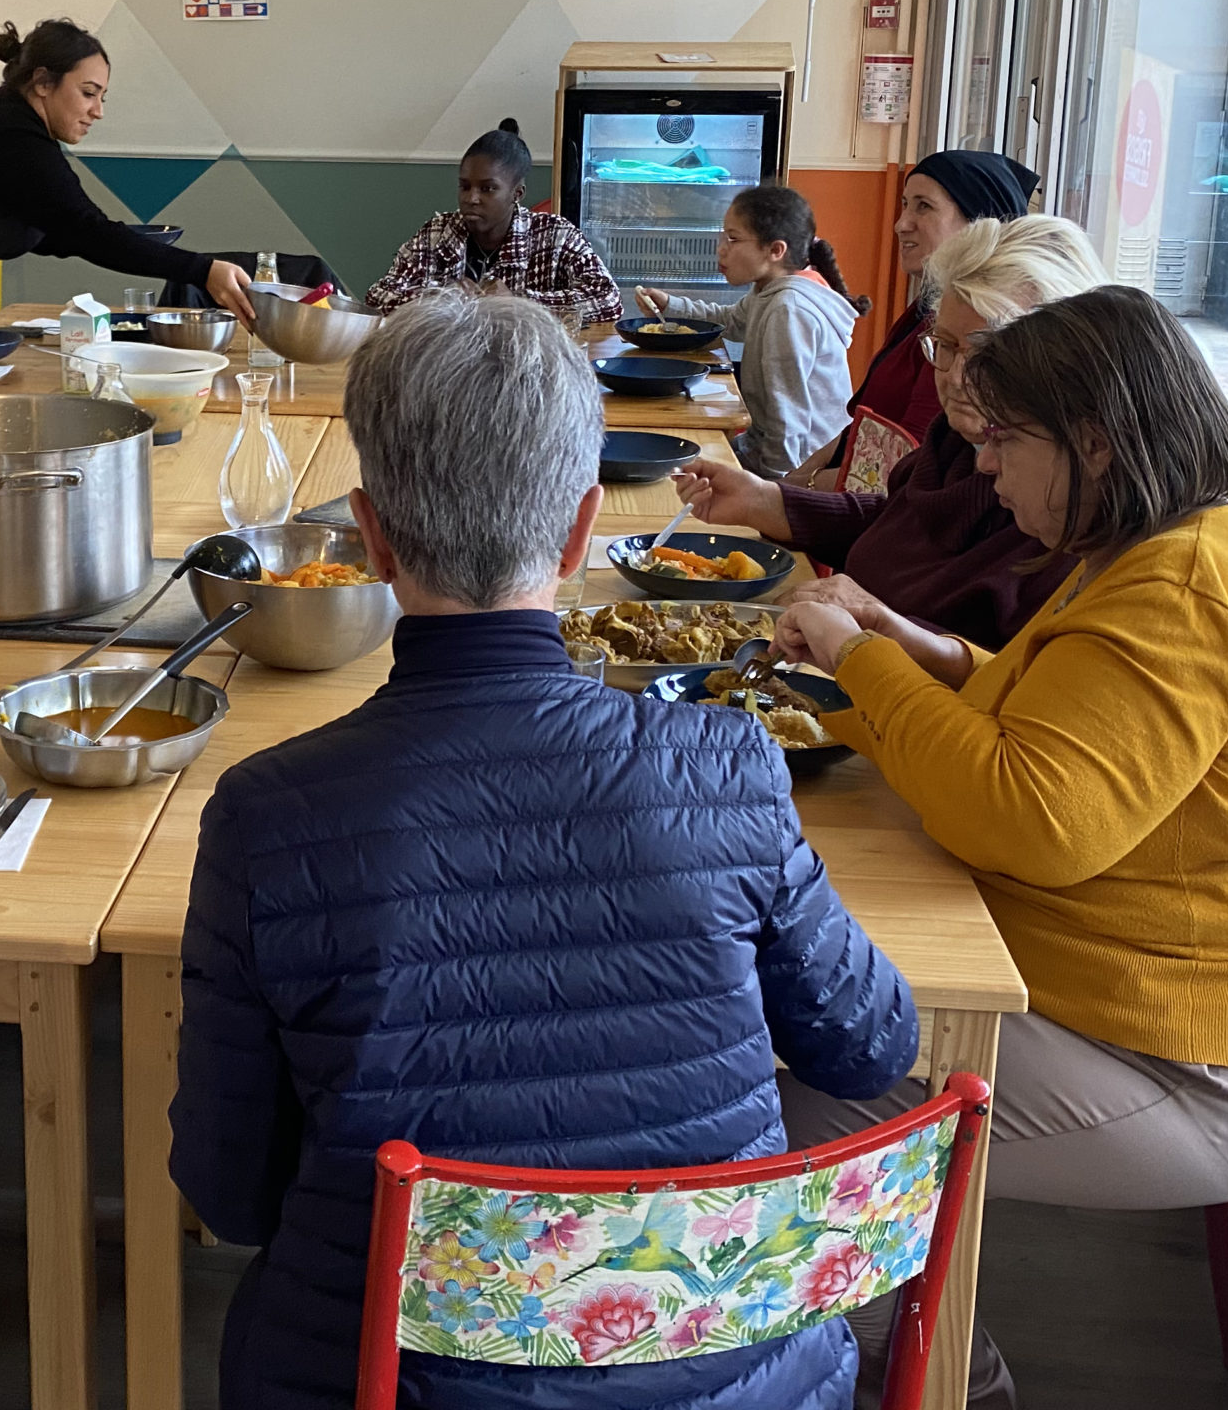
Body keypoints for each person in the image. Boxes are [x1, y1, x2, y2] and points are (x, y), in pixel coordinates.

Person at [172, 291, 918, 1410]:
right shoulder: (727, 766)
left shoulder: (264, 814)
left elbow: (230, 1193)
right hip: (737, 1385)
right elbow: (870, 1049)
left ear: (370, 537)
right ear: (580, 532)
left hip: (388, 1384)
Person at [770, 286, 1228, 1409]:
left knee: (815, 1107)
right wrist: (929, 654)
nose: (984, 463)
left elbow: (1034, 820)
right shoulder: (1165, 546)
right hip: (1147, 1009)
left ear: (1094, 439)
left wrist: (861, 664)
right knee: (823, 1022)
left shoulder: (1184, 582)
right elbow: (1055, 712)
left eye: (1005, 439)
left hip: (1222, 1069)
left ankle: (953, 1383)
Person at [671, 215, 1108, 648]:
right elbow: (896, 524)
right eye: (946, 346)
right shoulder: (954, 440)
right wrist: (765, 500)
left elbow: (1010, 670)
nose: (955, 377)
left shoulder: (1065, 506)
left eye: (985, 354)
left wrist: (881, 621)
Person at [0, 18, 257, 356]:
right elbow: (83, 229)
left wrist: (121, 240)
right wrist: (203, 269)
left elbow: (55, 227)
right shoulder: (13, 134)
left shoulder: (14, 123)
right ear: (43, 83)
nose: (98, 111)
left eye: (102, 97)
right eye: (88, 93)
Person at [814, 151, 1040, 467]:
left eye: (924, 206)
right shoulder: (921, 311)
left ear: (979, 224)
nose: (900, 224)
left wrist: (789, 492)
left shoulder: (963, 336)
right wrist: (790, 483)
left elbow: (903, 464)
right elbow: (856, 431)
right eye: (905, 204)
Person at [636, 184, 864, 477]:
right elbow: (730, 320)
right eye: (723, 236)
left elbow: (788, 417)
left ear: (775, 250)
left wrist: (773, 495)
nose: (721, 249)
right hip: (768, 450)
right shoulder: (769, 291)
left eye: (733, 239)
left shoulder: (788, 309)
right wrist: (670, 305)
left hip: (803, 468)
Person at [363, 122, 622, 321]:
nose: (471, 199)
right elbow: (378, 297)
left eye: (487, 189)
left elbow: (608, 300)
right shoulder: (438, 233)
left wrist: (518, 303)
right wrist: (440, 298)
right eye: (465, 187)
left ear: (517, 194)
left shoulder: (555, 236)